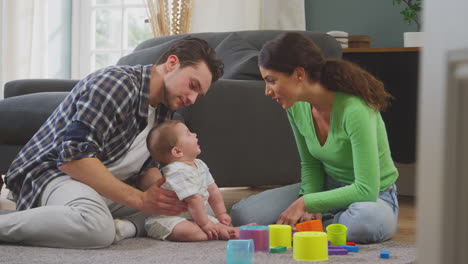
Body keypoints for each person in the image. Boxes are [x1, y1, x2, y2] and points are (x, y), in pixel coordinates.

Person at [0, 37, 224, 248]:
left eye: (199, 95)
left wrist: (168, 192)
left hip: (99, 184)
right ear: (172, 64)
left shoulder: (165, 111)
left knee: (190, 208)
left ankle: (121, 227)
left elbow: (145, 169)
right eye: (193, 85)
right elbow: (73, 159)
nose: (192, 99)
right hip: (52, 174)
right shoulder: (116, 84)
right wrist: (140, 199)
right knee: (97, 227)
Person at [230, 32, 399, 244]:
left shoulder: (355, 109)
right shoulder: (296, 105)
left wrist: (307, 204)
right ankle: (324, 227)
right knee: (245, 215)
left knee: (366, 220)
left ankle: (312, 229)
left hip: (373, 196)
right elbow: (310, 163)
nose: (267, 91)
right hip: (327, 188)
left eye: (271, 81)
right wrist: (310, 199)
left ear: (299, 74)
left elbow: (366, 189)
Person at [114, 120, 237, 242]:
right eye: (188, 134)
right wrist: (205, 224)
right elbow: (194, 200)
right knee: (186, 230)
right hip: (169, 219)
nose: (195, 134)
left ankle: (231, 232)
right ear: (177, 151)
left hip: (195, 216)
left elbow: (213, 190)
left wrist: (221, 214)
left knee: (220, 224)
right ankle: (215, 232)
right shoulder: (176, 171)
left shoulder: (200, 165)